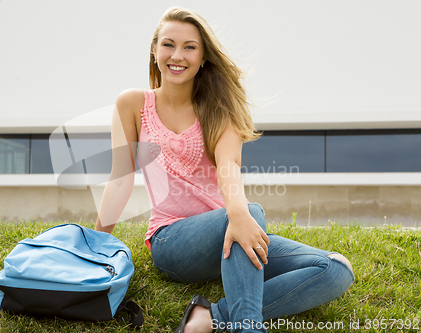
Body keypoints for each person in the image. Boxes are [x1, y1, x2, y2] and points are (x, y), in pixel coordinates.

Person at [95, 7, 354, 333]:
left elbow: (229, 166)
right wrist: (95, 247)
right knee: (250, 212)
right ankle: (247, 327)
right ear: (154, 49)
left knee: (335, 269)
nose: (177, 55)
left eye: (190, 47)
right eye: (168, 44)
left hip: (231, 232)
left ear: (203, 57)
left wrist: (238, 215)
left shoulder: (219, 109)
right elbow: (120, 177)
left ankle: (209, 317)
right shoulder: (132, 104)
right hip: (173, 241)